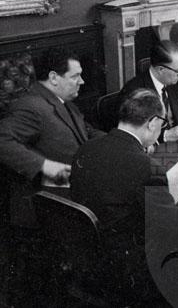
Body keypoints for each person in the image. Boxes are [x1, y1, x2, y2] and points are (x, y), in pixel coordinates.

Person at [71, 88, 178, 305]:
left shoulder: (85, 149)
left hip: (87, 255)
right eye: (162, 124)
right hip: (130, 267)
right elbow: (175, 226)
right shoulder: (146, 168)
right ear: (153, 123)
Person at [0, 48, 103, 226]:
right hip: (50, 205)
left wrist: (124, 140)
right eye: (75, 76)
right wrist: (44, 165)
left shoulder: (62, 101)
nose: (82, 81)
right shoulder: (30, 106)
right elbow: (2, 140)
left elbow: (87, 131)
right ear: (54, 78)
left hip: (73, 191)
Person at [120, 41, 178, 143]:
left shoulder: (174, 80)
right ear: (161, 69)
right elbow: (133, 134)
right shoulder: (135, 92)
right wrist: (165, 135)